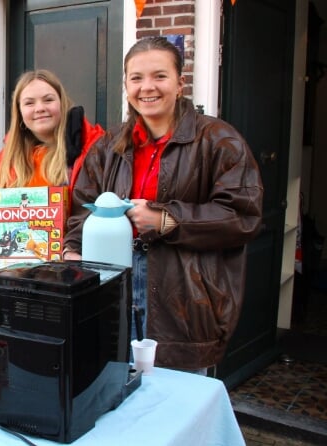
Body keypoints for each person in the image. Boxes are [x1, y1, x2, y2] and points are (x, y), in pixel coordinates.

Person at [63, 37, 263, 373]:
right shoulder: (108, 146)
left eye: (160, 76)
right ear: (126, 84)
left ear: (180, 83)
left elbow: (243, 216)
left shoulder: (219, 140)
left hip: (183, 297)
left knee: (177, 404)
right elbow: (84, 206)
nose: (147, 88)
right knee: (115, 390)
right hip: (114, 291)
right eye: (136, 78)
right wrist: (72, 248)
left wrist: (167, 220)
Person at [0, 69, 104, 193]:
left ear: (62, 103)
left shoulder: (96, 149)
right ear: (19, 112)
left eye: (48, 100)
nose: (40, 108)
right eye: (29, 103)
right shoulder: (6, 159)